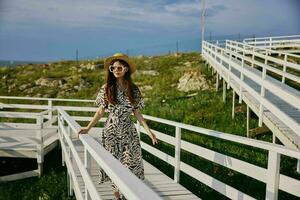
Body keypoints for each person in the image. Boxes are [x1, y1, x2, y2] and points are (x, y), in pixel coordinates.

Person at [77, 52, 158, 200]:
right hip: (111, 132)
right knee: (114, 165)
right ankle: (117, 195)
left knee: (129, 164)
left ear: (126, 69)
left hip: (129, 132)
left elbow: (137, 113)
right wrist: (87, 128)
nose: (115, 70)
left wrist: (149, 131)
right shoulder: (107, 88)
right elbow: (100, 112)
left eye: (119, 68)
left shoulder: (133, 89)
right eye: (112, 68)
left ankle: (126, 194)